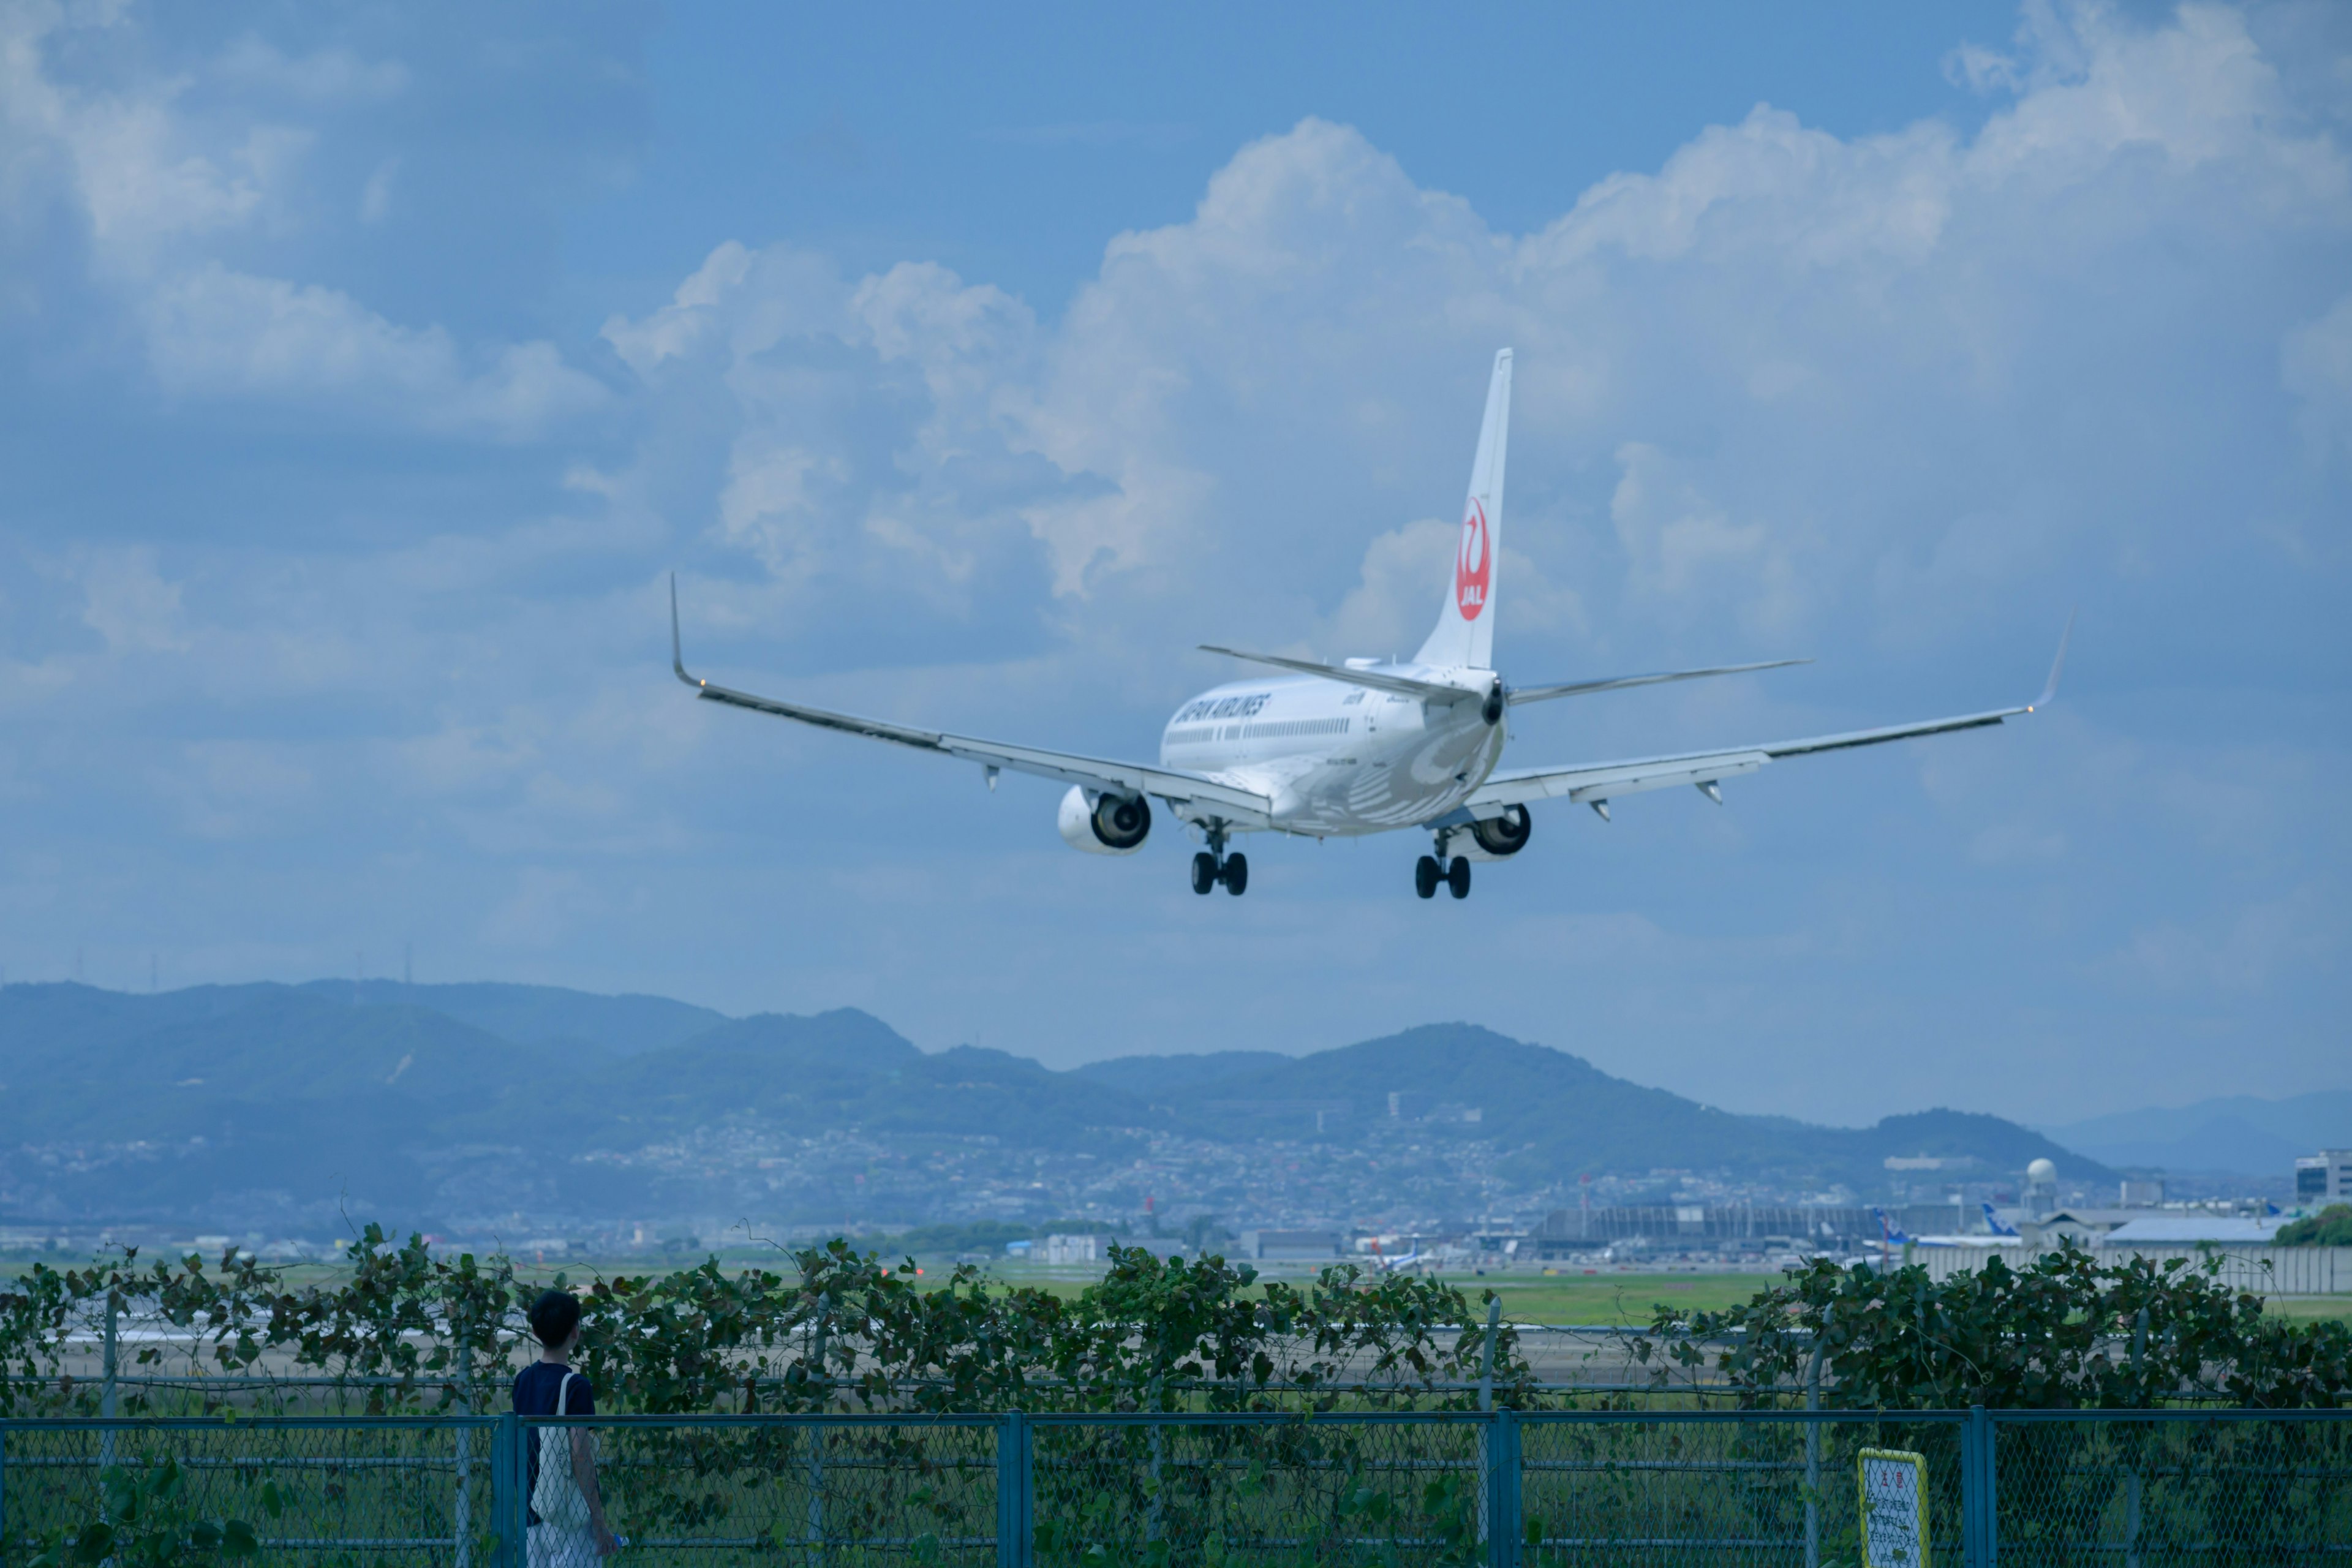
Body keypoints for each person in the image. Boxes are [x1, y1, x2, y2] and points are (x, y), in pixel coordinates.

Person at [514, 1289, 619, 1562]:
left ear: (536, 1333)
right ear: (575, 1332)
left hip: (531, 1512)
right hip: (568, 1516)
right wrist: (599, 1522)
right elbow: (580, 1454)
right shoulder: (576, 1386)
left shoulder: (523, 1380)